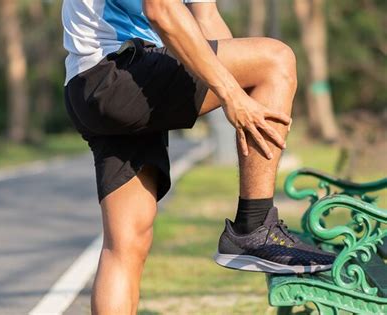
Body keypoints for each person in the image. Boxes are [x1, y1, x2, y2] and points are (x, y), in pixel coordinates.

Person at [62, 0, 335, 313]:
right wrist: (232, 92)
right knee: (276, 58)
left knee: (126, 244)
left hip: (97, 82)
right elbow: (161, 9)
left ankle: (255, 230)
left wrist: (247, 87)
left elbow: (207, 17)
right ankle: (255, 226)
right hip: (116, 74)